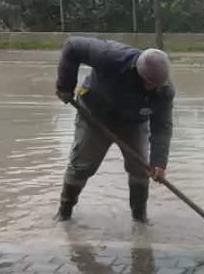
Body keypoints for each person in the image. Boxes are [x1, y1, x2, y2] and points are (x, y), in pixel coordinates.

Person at [54, 37, 175, 223]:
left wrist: (159, 163)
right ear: (139, 74)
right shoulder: (110, 56)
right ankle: (64, 213)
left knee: (141, 168)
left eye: (160, 86)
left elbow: (162, 126)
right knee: (83, 164)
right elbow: (72, 46)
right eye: (153, 85)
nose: (157, 89)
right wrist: (65, 85)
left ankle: (140, 218)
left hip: (134, 121)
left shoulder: (164, 91)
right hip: (96, 113)